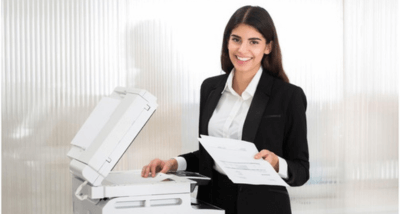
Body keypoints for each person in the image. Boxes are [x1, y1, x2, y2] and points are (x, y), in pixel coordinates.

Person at [141, 5, 309, 214]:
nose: (242, 50)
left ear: (268, 47)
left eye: (254, 42)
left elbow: (301, 171)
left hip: (264, 207)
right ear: (227, 42)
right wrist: (174, 163)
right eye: (236, 39)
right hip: (213, 203)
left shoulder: (288, 96)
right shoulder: (210, 88)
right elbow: (210, 154)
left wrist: (276, 164)